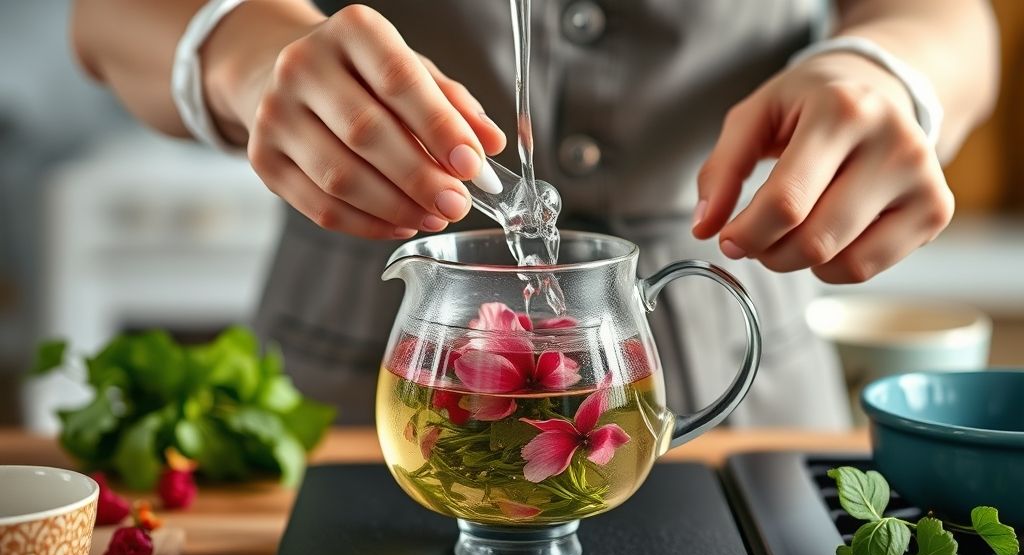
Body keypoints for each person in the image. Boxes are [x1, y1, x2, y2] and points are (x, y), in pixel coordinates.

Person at [70, 0, 998, 428]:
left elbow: (955, 20)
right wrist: (246, 51)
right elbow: (104, 19)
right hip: (351, 404)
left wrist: (885, 75)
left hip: (750, 412)